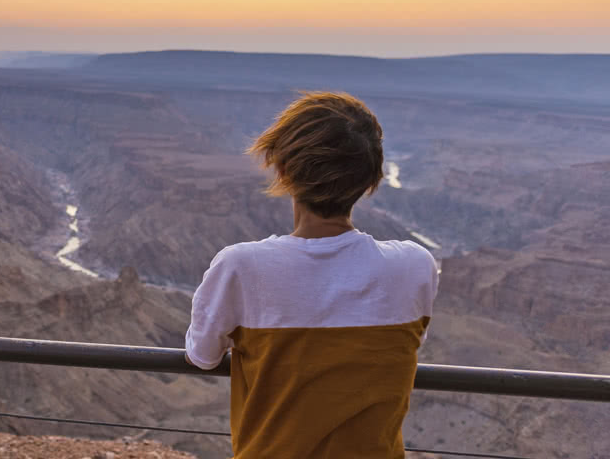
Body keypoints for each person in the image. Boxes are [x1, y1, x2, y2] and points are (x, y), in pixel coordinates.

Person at [185, 91, 439, 459]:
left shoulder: (241, 266)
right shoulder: (414, 266)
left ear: (284, 171)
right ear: (371, 179)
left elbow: (203, 356)